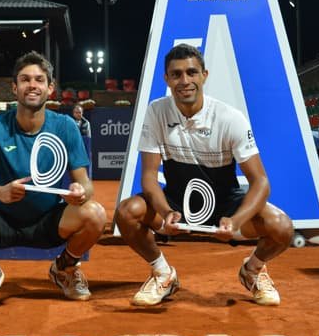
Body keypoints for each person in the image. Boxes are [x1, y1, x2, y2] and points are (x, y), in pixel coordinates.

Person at [114, 43, 293, 307]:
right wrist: (165, 212)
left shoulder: (230, 118)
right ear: (167, 79)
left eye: (191, 73)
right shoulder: (156, 111)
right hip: (176, 204)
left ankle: (252, 270)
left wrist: (234, 221)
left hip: (225, 206)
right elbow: (149, 177)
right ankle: (164, 274)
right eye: (176, 74)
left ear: (204, 75)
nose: (184, 81)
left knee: (282, 227)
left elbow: (261, 182)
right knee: (127, 212)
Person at [0, 51, 107, 307]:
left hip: (49, 222)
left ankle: (64, 269)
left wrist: (80, 191)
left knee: (95, 214)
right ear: (14, 87)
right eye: (25, 79)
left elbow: (85, 184)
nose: (32, 85)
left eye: (39, 80)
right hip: (0, 221)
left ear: (50, 88)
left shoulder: (65, 126)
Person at [71, 102, 92, 176]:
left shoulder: (86, 123)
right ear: (73, 113)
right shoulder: (69, 122)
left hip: (84, 148)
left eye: (79, 112)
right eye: (76, 112)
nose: (78, 114)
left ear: (82, 113)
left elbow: (88, 137)